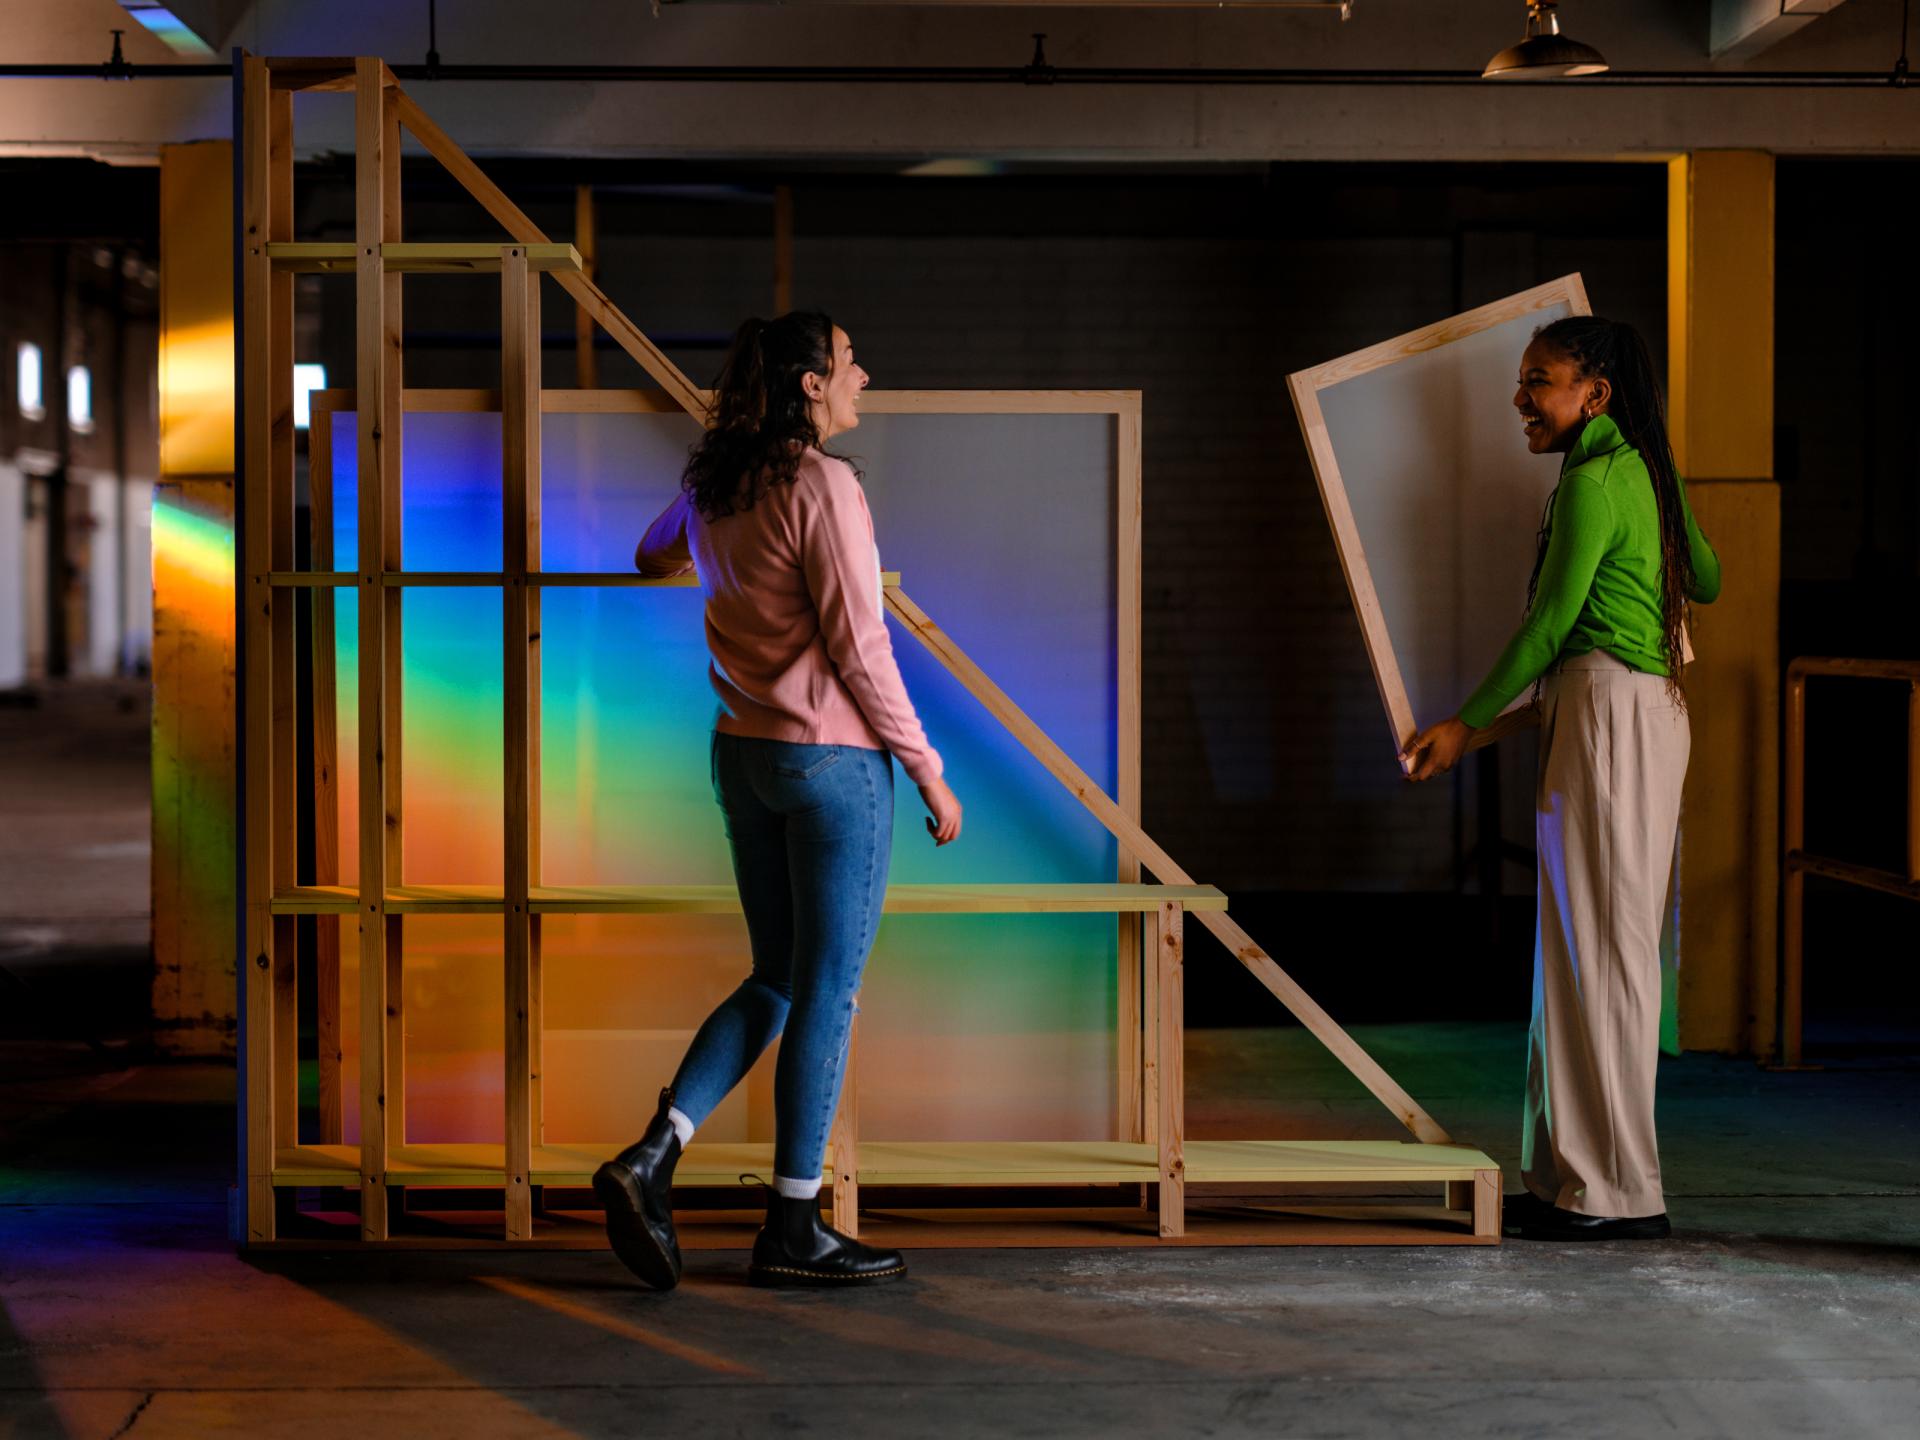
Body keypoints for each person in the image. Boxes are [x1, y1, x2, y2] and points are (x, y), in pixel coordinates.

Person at [593, 312, 964, 1289]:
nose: (861, 376)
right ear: (810, 384)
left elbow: (649, 554)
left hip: (745, 758)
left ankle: (653, 1154)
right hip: (832, 766)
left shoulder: (716, 485)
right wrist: (926, 767)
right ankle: (794, 1225)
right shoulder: (823, 485)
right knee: (827, 992)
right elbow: (860, 646)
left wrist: (718, 557)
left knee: (777, 979)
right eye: (849, 362)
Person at [1401, 315, 1721, 1242]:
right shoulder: (1641, 471)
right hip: (1631, 713)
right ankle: (1567, 1182)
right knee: (1582, 951)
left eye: (1539, 381)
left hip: (1610, 712)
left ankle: (1619, 1194)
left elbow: (1547, 627)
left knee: (1603, 954)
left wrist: (1464, 724)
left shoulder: (1592, 483)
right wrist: (1668, 493)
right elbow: (1707, 578)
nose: (1522, 399)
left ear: (1595, 394)